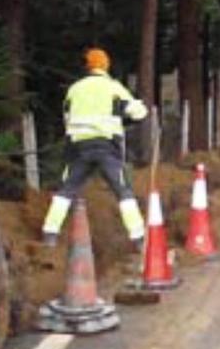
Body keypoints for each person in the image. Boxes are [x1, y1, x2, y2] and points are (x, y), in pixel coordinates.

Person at [41, 48, 149, 250]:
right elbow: (139, 113)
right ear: (106, 65)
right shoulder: (112, 87)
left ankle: (50, 234)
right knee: (123, 191)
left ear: (87, 66)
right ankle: (139, 239)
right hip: (107, 147)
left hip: (78, 148)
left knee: (66, 190)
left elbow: (67, 118)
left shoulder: (74, 89)